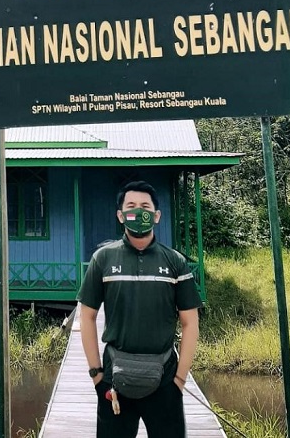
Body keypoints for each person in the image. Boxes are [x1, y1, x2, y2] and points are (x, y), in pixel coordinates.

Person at [77, 180, 202, 438]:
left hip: (165, 378)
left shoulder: (175, 262)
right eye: (131, 206)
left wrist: (179, 380)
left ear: (156, 215)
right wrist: (97, 375)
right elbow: (87, 316)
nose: (138, 211)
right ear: (120, 215)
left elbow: (190, 322)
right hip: (114, 379)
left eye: (145, 207)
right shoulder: (103, 259)